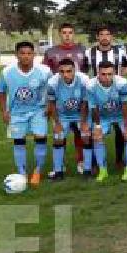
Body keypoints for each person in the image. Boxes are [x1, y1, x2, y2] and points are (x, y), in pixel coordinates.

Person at [0, 41, 53, 186]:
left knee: (40, 138)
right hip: (16, 112)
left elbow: (52, 90)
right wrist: (4, 111)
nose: (26, 56)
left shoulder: (45, 71)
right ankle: (22, 173)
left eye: (29, 53)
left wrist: (50, 105)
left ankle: (38, 171)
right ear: (16, 55)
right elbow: (0, 91)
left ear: (34, 55)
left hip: (38, 110)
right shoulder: (7, 72)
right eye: (22, 53)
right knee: (19, 141)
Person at [83, 26, 127, 170]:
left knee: (119, 129)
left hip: (116, 92)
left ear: (111, 37)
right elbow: (84, 70)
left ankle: (119, 159)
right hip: (97, 93)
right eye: (101, 34)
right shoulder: (89, 52)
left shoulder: (119, 52)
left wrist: (120, 78)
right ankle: (95, 163)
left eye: (107, 34)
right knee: (94, 128)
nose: (104, 37)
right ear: (97, 37)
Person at [43, 23, 87, 171]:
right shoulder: (51, 52)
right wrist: (48, 105)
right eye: (64, 32)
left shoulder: (82, 50)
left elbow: (87, 74)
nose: (67, 35)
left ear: (74, 34)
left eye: (70, 32)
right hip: (60, 98)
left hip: (78, 98)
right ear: (59, 34)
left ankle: (81, 161)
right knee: (60, 132)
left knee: (80, 133)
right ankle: (59, 165)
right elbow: (46, 75)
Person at [84, 61, 127, 182]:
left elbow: (125, 105)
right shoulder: (91, 85)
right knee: (97, 137)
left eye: (109, 74)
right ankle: (103, 171)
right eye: (103, 74)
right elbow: (94, 108)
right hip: (103, 116)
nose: (107, 77)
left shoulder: (122, 83)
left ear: (114, 73)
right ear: (98, 73)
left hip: (120, 115)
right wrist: (97, 126)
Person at [46, 58, 91, 181]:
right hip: (62, 115)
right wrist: (57, 123)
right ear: (58, 71)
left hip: (79, 113)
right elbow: (52, 103)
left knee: (86, 136)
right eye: (62, 71)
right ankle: (58, 171)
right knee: (58, 138)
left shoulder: (84, 80)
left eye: (68, 71)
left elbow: (85, 103)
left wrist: (83, 122)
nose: (65, 74)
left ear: (74, 70)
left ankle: (87, 169)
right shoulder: (52, 83)